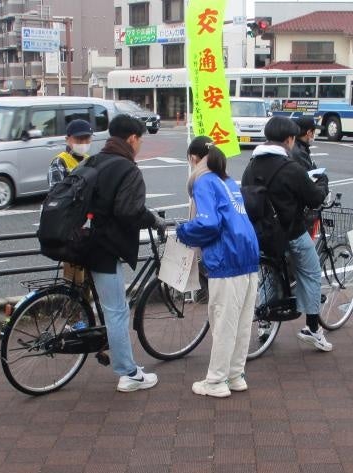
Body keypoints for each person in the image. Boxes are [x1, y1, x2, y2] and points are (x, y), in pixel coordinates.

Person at [83, 114, 164, 392]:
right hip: (105, 248)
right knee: (117, 312)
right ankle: (128, 374)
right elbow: (129, 210)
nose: (139, 144)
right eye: (140, 139)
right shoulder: (127, 169)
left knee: (109, 308)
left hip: (84, 242)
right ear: (132, 138)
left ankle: (124, 360)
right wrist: (152, 219)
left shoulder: (95, 160)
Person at [176, 137, 259, 398]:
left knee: (223, 322)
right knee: (242, 322)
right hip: (248, 255)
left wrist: (183, 231)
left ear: (193, 158)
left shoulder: (203, 181)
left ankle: (215, 382)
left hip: (226, 258)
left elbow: (208, 224)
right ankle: (235, 375)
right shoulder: (228, 180)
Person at [241, 116, 331, 351]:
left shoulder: (251, 166)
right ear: (290, 139)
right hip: (291, 233)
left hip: (261, 233)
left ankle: (264, 324)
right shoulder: (291, 168)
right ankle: (313, 327)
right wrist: (322, 184)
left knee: (268, 277)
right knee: (311, 273)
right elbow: (314, 198)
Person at [47, 118, 94, 189]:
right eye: (79, 139)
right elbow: (57, 193)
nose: (84, 143)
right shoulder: (59, 162)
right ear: (67, 139)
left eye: (87, 138)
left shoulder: (89, 159)